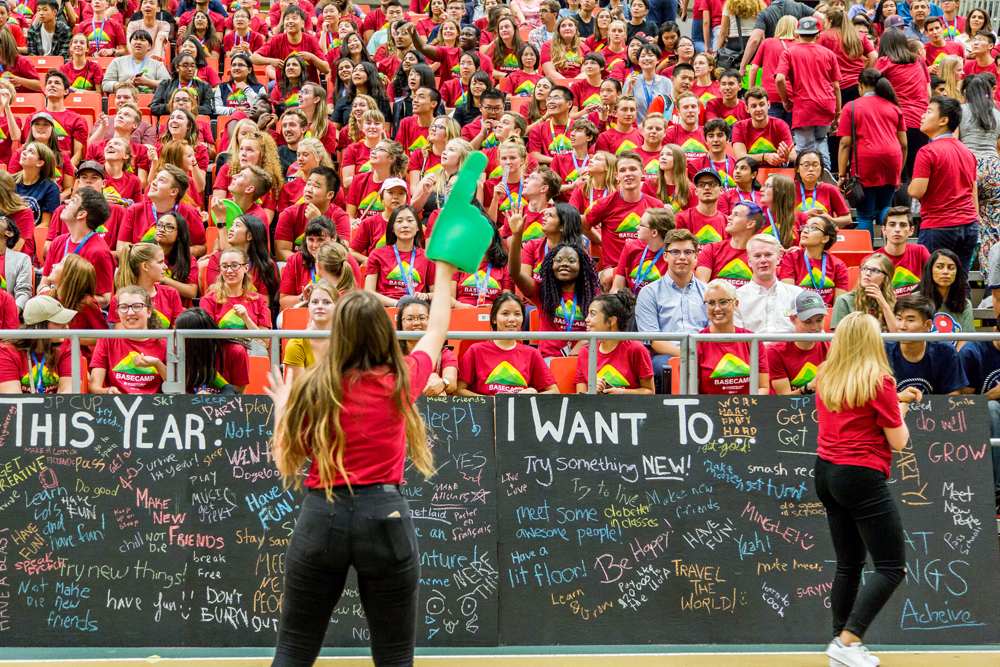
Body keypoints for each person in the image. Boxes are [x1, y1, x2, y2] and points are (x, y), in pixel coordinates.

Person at [812, 310, 912, 667]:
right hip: (859, 474)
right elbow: (898, 440)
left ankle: (840, 644)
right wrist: (900, 406)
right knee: (891, 567)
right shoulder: (879, 381)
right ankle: (848, 640)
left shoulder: (826, 376)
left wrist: (895, 405)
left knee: (848, 565)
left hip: (825, 472)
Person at [908, 95, 979, 283]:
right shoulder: (967, 151)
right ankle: (964, 313)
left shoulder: (928, 151)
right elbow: (973, 192)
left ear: (943, 120)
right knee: (960, 282)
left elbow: (916, 191)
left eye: (929, 111)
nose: (923, 116)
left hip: (940, 224)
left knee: (929, 282)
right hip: (969, 225)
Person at [635, 228, 708, 391]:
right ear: (665, 256)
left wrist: (701, 356)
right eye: (675, 252)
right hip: (666, 356)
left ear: (696, 257)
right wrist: (689, 356)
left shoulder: (708, 292)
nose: (682, 257)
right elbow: (654, 342)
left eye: (688, 252)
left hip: (704, 354)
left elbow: (715, 333)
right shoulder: (649, 293)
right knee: (663, 366)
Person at [837, 68, 906, 234]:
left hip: (866, 162)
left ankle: (867, 255)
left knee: (865, 215)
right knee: (884, 208)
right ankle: (889, 250)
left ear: (860, 86)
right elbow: (903, 144)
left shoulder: (851, 107)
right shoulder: (894, 107)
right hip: (892, 160)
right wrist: (899, 173)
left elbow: (845, 144)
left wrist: (841, 176)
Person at [583, 151, 664, 286]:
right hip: (613, 267)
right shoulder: (605, 204)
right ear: (617, 176)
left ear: (643, 173)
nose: (628, 174)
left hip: (647, 265)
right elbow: (584, 226)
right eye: (622, 170)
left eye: (633, 169)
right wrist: (603, 242)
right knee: (609, 277)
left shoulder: (656, 205)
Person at [456, 293, 557, 395]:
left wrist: (533, 394)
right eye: (505, 313)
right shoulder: (475, 350)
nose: (512, 319)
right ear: (494, 318)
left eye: (517, 314)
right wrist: (493, 402)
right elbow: (458, 391)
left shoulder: (532, 353)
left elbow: (554, 392)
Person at [776, 17, 842, 172]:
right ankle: (824, 175)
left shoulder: (789, 53)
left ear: (797, 34)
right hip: (826, 106)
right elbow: (836, 87)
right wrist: (838, 113)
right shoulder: (828, 53)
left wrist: (786, 101)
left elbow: (779, 79)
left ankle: (805, 184)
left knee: (804, 148)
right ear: (818, 34)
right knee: (821, 140)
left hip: (804, 107)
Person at [89, 285, 167, 394]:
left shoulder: (164, 343)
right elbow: (93, 388)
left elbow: (177, 389)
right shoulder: (107, 339)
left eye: (137, 306)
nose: (130, 312)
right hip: (116, 406)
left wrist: (158, 364)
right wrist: (107, 391)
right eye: (124, 307)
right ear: (118, 312)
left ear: (149, 312)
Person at [697, 278, 768, 394]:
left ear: (736, 304)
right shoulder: (697, 342)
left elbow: (763, 388)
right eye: (711, 303)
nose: (717, 308)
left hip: (748, 409)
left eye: (723, 302)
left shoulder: (753, 341)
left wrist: (746, 406)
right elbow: (692, 393)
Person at [575, 290, 655, 394]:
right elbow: (579, 398)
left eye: (592, 314)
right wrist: (592, 391)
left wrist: (620, 392)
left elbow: (649, 392)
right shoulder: (584, 352)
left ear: (612, 320)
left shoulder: (636, 349)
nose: (586, 319)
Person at [958, 74, 1000, 269]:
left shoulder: (961, 111)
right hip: (993, 168)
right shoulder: (996, 113)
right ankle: (990, 272)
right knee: (992, 223)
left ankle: (967, 264)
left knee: (969, 218)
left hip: (969, 167)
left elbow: (956, 141)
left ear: (966, 92)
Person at [888, 293, 967, 395]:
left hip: (936, 410)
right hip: (894, 410)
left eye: (910, 320)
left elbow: (953, 398)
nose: (902, 326)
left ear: (928, 325)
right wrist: (898, 398)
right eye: (899, 319)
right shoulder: (883, 349)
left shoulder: (945, 351)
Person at [0, 295, 77, 393]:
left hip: (58, 407)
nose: (66, 327)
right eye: (58, 322)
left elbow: (69, 392)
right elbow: (13, 399)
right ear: (38, 328)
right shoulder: (7, 351)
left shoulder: (69, 345)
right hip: (24, 408)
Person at [364, 205, 435, 306]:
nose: (405, 225)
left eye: (410, 220)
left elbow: (436, 293)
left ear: (418, 227)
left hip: (416, 310)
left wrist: (426, 296)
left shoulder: (426, 257)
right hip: (386, 309)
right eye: (399, 221)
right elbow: (369, 292)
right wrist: (397, 304)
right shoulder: (377, 254)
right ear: (392, 228)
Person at [736, 233, 803, 333]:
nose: (763, 260)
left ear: (778, 258)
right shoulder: (737, 297)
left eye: (768, 255)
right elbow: (737, 340)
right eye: (757, 256)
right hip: (752, 348)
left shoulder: (796, 294)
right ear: (749, 261)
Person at [779, 215, 850, 307]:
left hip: (827, 315)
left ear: (825, 238)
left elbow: (839, 306)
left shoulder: (838, 265)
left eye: (813, 228)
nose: (805, 230)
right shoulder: (791, 258)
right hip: (799, 313)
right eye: (805, 226)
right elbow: (788, 297)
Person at [175, 308, 250, 394]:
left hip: (225, 405)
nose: (177, 340)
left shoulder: (236, 351)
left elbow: (239, 392)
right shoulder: (184, 352)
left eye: (181, 336)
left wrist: (212, 398)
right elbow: (183, 391)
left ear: (194, 339)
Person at [767, 290, 830, 394]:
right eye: (807, 322)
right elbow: (784, 400)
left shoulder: (832, 347)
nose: (814, 327)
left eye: (819, 320)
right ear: (793, 319)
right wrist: (810, 387)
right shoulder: (775, 351)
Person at [108, 242, 182, 328]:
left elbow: (177, 337)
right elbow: (122, 339)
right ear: (145, 266)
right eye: (160, 262)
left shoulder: (171, 294)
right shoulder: (119, 299)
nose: (165, 267)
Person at [695, 201, 763, 288]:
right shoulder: (712, 249)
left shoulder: (761, 254)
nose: (729, 217)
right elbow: (701, 284)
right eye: (731, 214)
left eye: (736, 214)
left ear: (750, 224)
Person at [282, 280, 338, 382]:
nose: (320, 306)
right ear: (309, 306)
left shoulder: (346, 342)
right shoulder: (296, 344)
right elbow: (301, 392)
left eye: (327, 302)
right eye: (315, 302)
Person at [612, 207, 673, 294]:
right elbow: (616, 288)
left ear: (654, 233)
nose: (637, 227)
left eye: (641, 224)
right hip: (632, 303)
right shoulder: (631, 247)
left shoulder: (673, 255)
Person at [832, 252, 898, 330]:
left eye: (874, 270)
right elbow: (841, 336)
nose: (867, 273)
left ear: (885, 278)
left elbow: (896, 335)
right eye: (865, 268)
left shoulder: (893, 303)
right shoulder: (844, 300)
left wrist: (884, 305)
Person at [875, 205, 929, 298]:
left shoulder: (920, 251)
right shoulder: (873, 259)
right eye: (892, 225)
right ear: (884, 230)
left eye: (903, 225)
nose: (897, 229)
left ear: (911, 230)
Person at [919, 248, 974, 338]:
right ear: (930, 270)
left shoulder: (965, 304)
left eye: (951, 268)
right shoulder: (915, 300)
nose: (945, 272)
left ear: (957, 273)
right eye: (939, 267)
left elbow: (967, 340)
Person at [676, 165, 727, 244]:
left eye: (712, 184)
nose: (706, 187)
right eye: (701, 185)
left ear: (721, 190)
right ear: (696, 191)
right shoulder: (681, 219)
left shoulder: (727, 223)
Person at [623, 43, 672, 122]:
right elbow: (624, 107)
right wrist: (629, 90)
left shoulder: (667, 83)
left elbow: (670, 109)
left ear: (658, 59)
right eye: (642, 56)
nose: (646, 58)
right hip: (637, 128)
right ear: (638, 61)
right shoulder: (632, 81)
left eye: (650, 55)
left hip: (660, 128)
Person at [0, 214, 30, 312]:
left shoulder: (21, 260)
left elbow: (23, 292)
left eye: (1, 219)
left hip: (6, 315)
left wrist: (12, 314)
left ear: (9, 233)